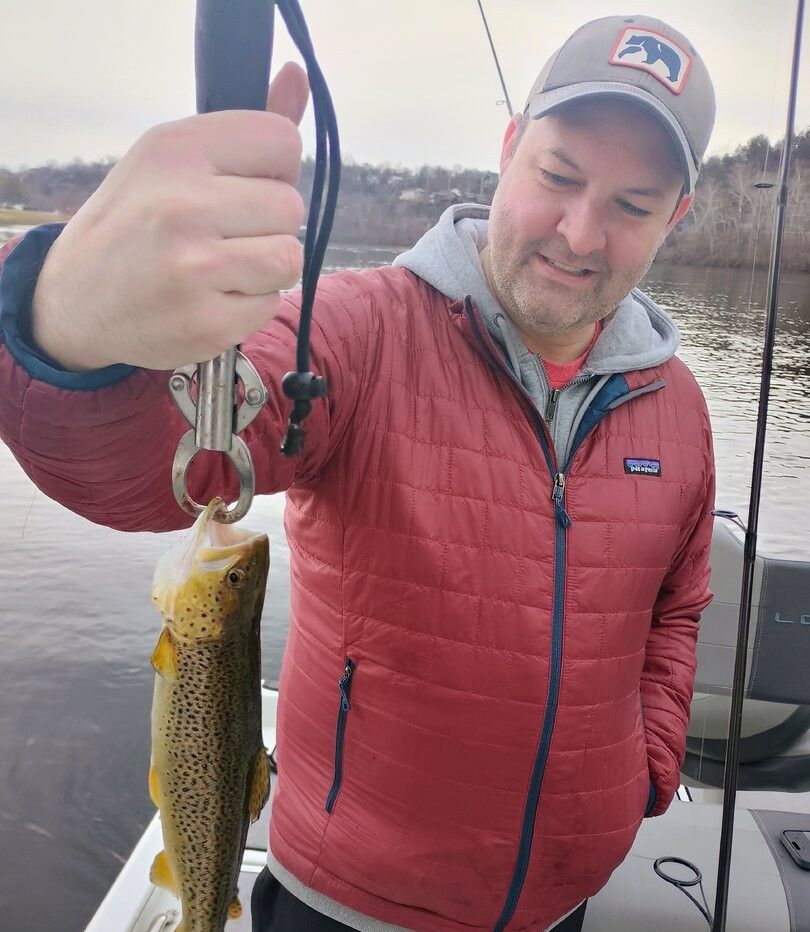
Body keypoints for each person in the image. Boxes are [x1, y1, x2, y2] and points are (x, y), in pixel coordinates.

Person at [0, 13, 716, 932]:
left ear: (675, 218)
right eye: (559, 176)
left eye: (632, 205)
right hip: (340, 902)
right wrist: (64, 327)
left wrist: (645, 767)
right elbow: (156, 461)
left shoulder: (679, 404)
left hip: (558, 906)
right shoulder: (356, 330)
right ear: (508, 150)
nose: (580, 234)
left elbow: (677, 608)